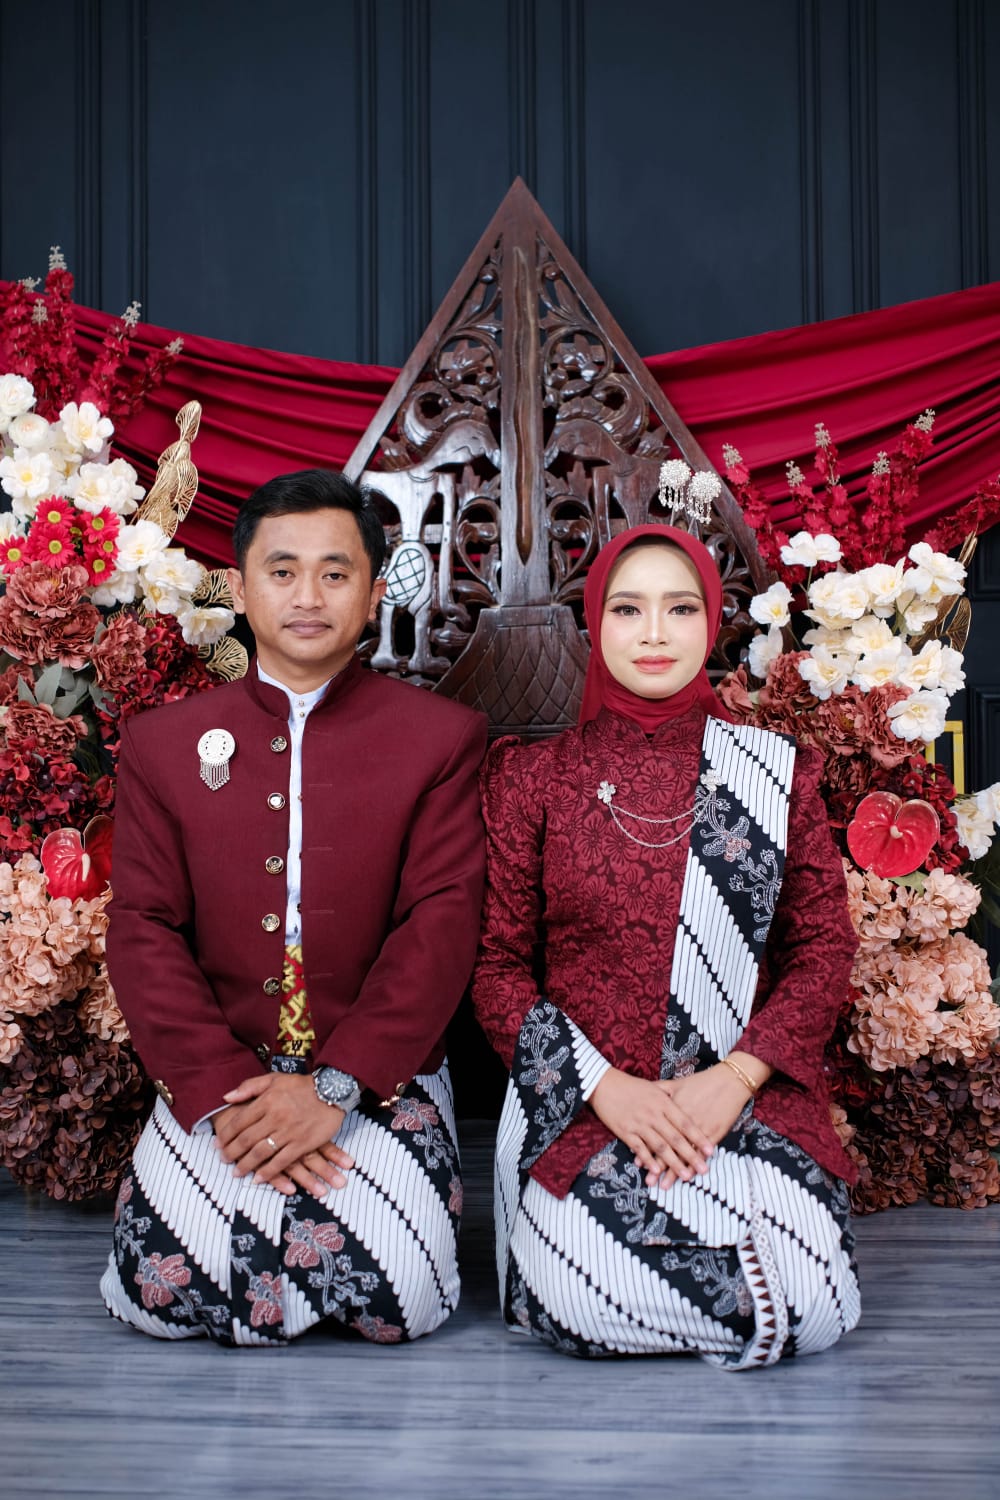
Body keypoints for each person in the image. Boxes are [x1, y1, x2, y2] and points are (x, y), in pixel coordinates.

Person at [100, 469, 486, 1346]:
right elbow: (143, 929)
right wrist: (219, 1095)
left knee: (399, 1296)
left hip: (380, 1073)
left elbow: (440, 924)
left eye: (335, 573)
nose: (308, 596)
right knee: (157, 1284)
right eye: (282, 571)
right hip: (222, 1070)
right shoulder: (163, 744)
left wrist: (335, 1088)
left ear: (374, 593)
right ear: (239, 589)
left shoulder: (439, 738)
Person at [472, 523, 861, 1369]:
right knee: (576, 1300)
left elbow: (823, 949)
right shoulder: (534, 779)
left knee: (819, 1305)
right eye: (628, 609)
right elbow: (496, 970)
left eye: (680, 609)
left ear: (712, 623)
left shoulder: (776, 772)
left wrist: (735, 1079)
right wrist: (605, 1090)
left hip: (742, 1093)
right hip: (586, 1101)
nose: (655, 632)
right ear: (595, 624)